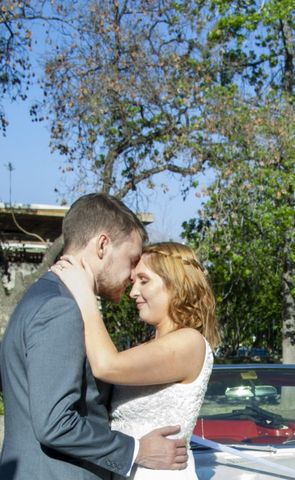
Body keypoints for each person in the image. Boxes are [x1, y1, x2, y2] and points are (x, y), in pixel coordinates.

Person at [0, 193, 188, 480]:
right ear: (102, 246)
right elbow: (55, 423)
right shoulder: (60, 308)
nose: (131, 275)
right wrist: (137, 451)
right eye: (132, 258)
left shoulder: (43, 296)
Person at [52, 241, 219, 479]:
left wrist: (83, 292)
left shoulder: (189, 343)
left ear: (176, 283)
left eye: (144, 280)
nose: (133, 292)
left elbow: (106, 365)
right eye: (133, 282)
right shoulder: (148, 348)